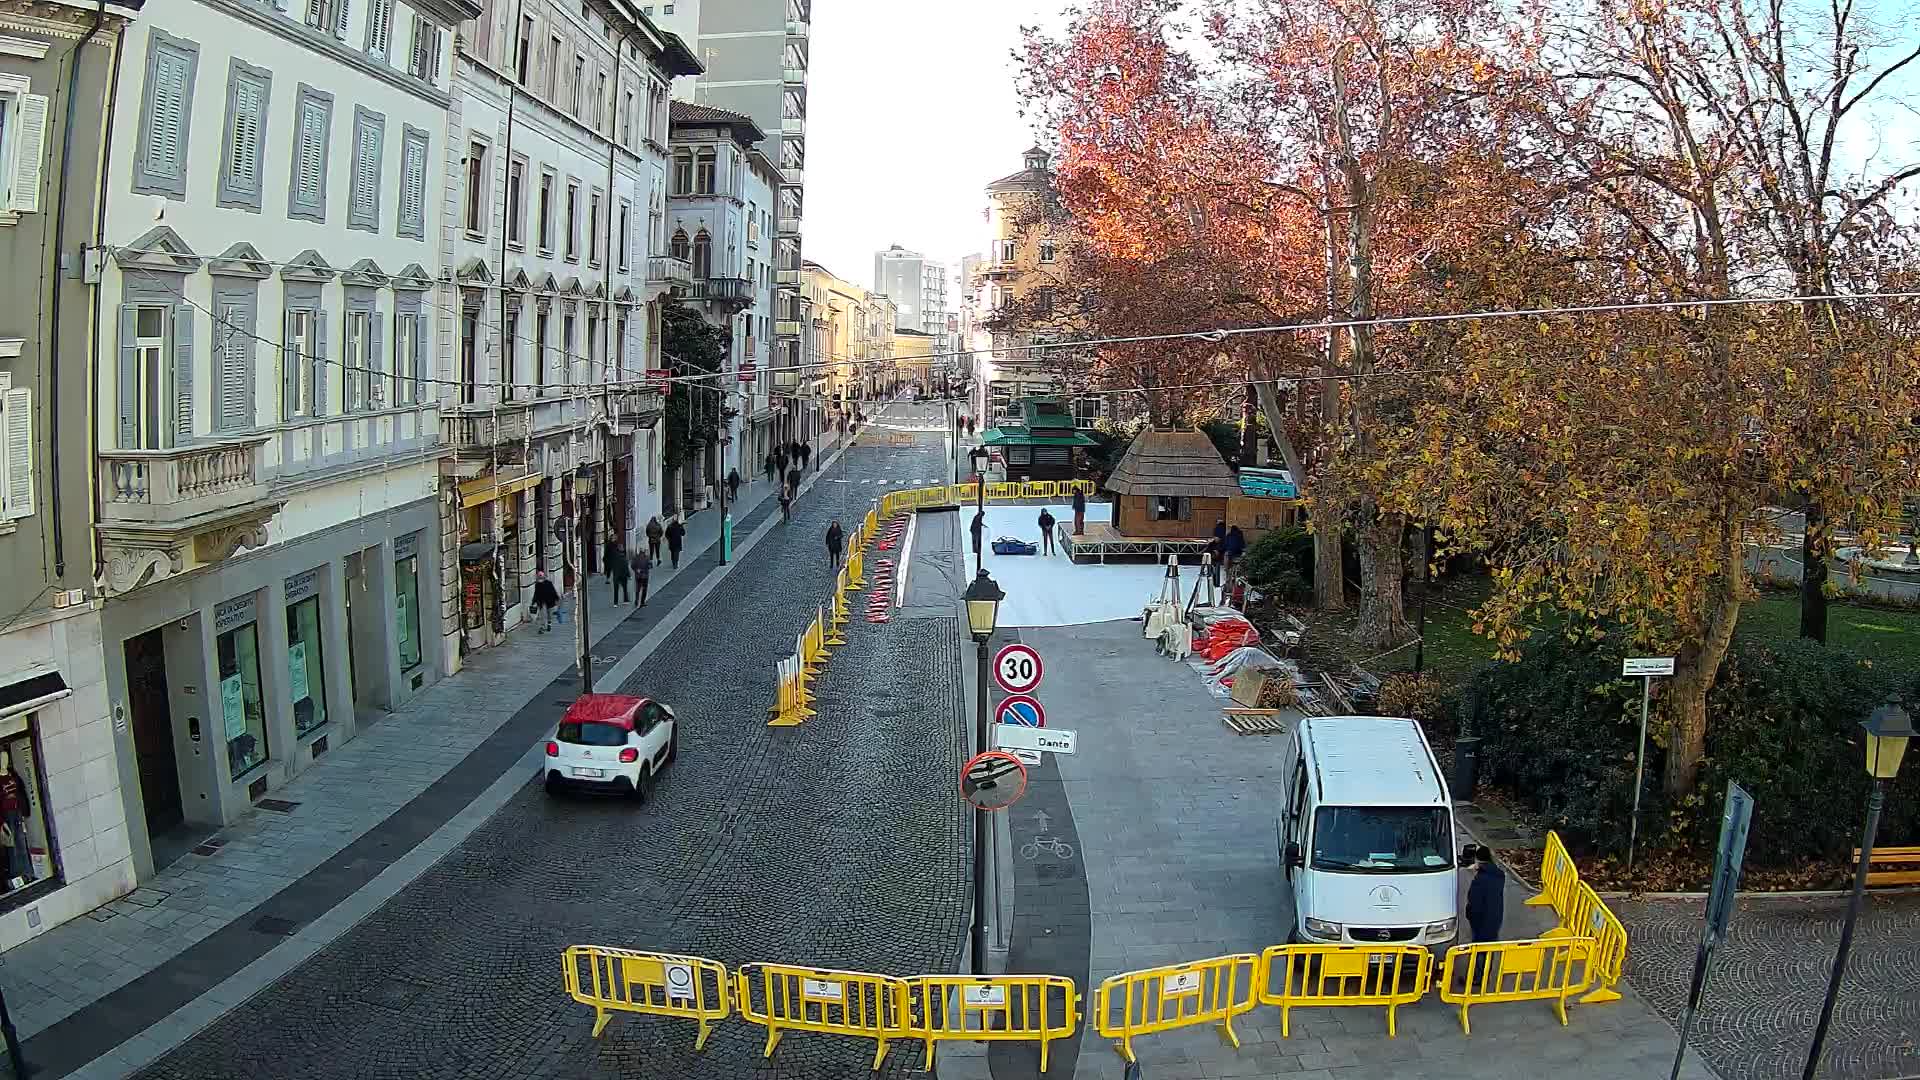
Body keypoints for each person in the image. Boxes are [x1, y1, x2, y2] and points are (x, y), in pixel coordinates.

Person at [1463, 844, 1506, 987]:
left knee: (1478, 950)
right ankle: (1484, 976)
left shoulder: (1480, 880)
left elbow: (1474, 902)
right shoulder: (1498, 876)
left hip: (1481, 920)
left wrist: (1469, 915)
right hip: (1495, 917)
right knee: (1488, 949)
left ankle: (1476, 978)